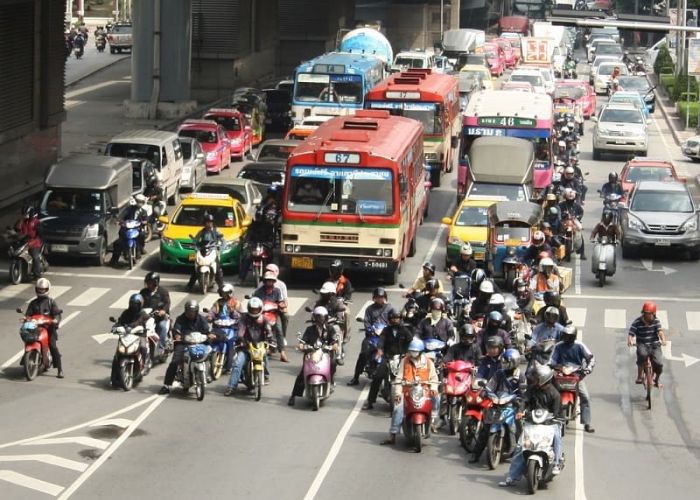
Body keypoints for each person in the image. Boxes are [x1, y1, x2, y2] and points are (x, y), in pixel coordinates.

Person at [499, 364, 563, 487]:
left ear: (544, 378)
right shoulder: (532, 389)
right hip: (532, 421)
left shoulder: (555, 394)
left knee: (557, 437)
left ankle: (556, 463)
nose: (534, 380)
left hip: (550, 423)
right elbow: (524, 400)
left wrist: (556, 418)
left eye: (537, 378)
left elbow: (557, 412)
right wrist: (520, 411)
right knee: (520, 447)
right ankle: (512, 477)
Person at [380, 338, 440, 445]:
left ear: (421, 351)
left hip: (424, 390)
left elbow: (434, 378)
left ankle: (433, 420)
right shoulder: (405, 361)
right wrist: (398, 393)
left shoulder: (428, 362)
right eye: (411, 351)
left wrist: (434, 388)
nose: (413, 353)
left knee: (436, 398)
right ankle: (393, 435)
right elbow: (398, 379)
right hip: (407, 391)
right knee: (398, 408)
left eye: (415, 351)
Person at [470, 348, 526, 463]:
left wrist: (520, 403)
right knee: (485, 429)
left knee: (517, 428)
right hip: (496, 403)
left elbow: (524, 394)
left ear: (514, 362)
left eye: (507, 362)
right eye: (503, 361)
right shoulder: (499, 373)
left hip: (512, 405)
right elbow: (491, 385)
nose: (504, 364)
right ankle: (475, 454)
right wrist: (484, 392)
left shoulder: (520, 377)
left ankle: (519, 454)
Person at [362, 308, 414, 410]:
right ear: (390, 319)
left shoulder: (405, 330)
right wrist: (380, 349)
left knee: (414, 378)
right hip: (388, 358)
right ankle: (370, 401)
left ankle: (413, 401)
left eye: (397, 318)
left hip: (402, 359)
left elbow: (411, 341)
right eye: (393, 318)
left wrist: (409, 353)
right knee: (377, 377)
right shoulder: (386, 330)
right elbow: (381, 340)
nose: (396, 320)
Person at [288, 306, 340, 406]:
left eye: (322, 317)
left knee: (333, 364)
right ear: (314, 318)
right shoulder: (310, 329)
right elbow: (304, 340)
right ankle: (293, 396)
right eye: (318, 317)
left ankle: (331, 381)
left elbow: (334, 341)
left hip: (325, 354)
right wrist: (301, 345)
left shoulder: (330, 329)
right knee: (302, 373)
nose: (320, 320)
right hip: (311, 353)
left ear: (326, 318)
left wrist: (334, 346)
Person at [159, 300, 212, 394]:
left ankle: (208, 375)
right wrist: (177, 336)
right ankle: (166, 385)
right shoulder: (180, 319)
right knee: (175, 361)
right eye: (189, 311)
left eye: (193, 311)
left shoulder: (201, 319)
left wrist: (210, 336)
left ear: (196, 311)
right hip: (184, 343)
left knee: (208, 354)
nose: (191, 314)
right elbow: (176, 330)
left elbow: (206, 331)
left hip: (199, 343)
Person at [551, 325, 596, 433]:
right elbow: (551, 360)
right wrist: (555, 366)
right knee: (549, 393)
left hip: (576, 376)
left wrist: (587, 370)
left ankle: (586, 423)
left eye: (569, 336)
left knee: (585, 397)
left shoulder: (580, 346)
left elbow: (591, 359)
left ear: (573, 336)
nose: (566, 338)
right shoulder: (558, 346)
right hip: (560, 375)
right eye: (565, 336)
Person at [224, 297, 273, 395]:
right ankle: (231, 387)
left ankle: (266, 376)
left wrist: (270, 339)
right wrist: (240, 338)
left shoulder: (264, 319)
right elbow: (241, 329)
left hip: (260, 346)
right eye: (252, 309)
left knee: (264, 357)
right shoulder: (244, 318)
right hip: (246, 346)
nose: (254, 311)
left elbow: (269, 331)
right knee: (238, 364)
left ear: (260, 309)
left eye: (256, 309)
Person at [348, 287, 393, 386]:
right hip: (372, 336)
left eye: (381, 297)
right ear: (374, 298)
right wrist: (370, 329)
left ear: (385, 297)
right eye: (377, 297)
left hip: (386, 336)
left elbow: (395, 318)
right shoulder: (369, 309)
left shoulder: (390, 308)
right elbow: (366, 322)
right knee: (363, 353)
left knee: (394, 356)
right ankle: (355, 377)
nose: (379, 299)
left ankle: (388, 383)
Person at [24, 278, 63, 378]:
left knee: (53, 346)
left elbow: (57, 314)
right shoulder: (33, 303)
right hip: (35, 328)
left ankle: (60, 369)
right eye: (39, 289)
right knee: (28, 339)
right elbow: (28, 314)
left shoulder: (51, 302)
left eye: (43, 289)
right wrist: (26, 318)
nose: (41, 291)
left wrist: (55, 320)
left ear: (47, 289)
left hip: (49, 329)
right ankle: (26, 358)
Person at [111, 294, 150, 386]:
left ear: (140, 304)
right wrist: (115, 326)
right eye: (132, 304)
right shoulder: (126, 313)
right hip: (126, 335)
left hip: (139, 335)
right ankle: (113, 377)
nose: (133, 306)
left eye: (135, 304)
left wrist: (132, 327)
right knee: (117, 355)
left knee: (143, 347)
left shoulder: (143, 314)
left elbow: (141, 321)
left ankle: (143, 366)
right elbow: (120, 321)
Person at [628, 301, 666, 387]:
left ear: (653, 313)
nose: (647, 315)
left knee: (659, 364)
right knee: (642, 355)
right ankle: (640, 376)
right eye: (646, 313)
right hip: (642, 344)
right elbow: (631, 333)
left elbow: (660, 332)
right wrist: (630, 340)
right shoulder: (637, 322)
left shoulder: (656, 321)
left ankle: (657, 379)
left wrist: (663, 340)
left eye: (649, 313)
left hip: (654, 345)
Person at [253, 271, 288, 362]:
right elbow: (255, 300)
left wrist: (281, 305)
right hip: (261, 313)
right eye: (268, 280)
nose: (269, 282)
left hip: (273, 314)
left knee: (279, 329)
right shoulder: (259, 291)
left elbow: (280, 301)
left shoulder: (277, 291)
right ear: (265, 281)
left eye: (271, 281)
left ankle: (282, 352)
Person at [207, 283, 241, 374]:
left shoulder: (236, 303)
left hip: (231, 327)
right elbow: (212, 311)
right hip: (219, 326)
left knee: (230, 343)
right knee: (210, 339)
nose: (224, 295)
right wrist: (210, 316)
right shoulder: (218, 303)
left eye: (226, 293)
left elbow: (239, 316)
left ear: (230, 293)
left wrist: (232, 311)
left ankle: (229, 365)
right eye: (223, 293)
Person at [186, 213, 225, 290]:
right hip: (202, 250)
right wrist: (195, 246)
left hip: (213, 250)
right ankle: (190, 285)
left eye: (210, 222)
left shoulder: (216, 231)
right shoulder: (201, 232)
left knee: (217, 268)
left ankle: (221, 286)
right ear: (204, 223)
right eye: (207, 222)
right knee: (195, 266)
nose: (209, 224)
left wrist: (220, 248)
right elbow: (196, 240)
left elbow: (223, 241)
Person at [110, 195, 148, 265]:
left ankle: (139, 250)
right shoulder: (129, 209)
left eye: (141, 202)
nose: (139, 203)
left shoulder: (144, 212)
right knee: (118, 243)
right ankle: (114, 260)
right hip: (126, 229)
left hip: (137, 229)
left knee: (142, 234)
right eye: (138, 201)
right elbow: (121, 216)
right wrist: (118, 221)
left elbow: (146, 220)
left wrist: (143, 222)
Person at [139, 272, 171, 352]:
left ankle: (161, 348)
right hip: (147, 317)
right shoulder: (143, 292)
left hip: (159, 318)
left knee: (162, 327)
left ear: (155, 283)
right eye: (147, 282)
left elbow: (167, 303)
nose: (148, 285)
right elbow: (139, 302)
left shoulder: (163, 292)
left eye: (149, 283)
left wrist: (163, 311)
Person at [15, 206, 43, 279]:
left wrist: (37, 232)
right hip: (23, 241)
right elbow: (16, 229)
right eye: (24, 213)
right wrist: (20, 221)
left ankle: (37, 274)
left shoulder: (36, 222)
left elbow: (40, 233)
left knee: (34, 257)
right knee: (15, 253)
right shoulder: (22, 221)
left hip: (34, 241)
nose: (25, 215)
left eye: (26, 213)